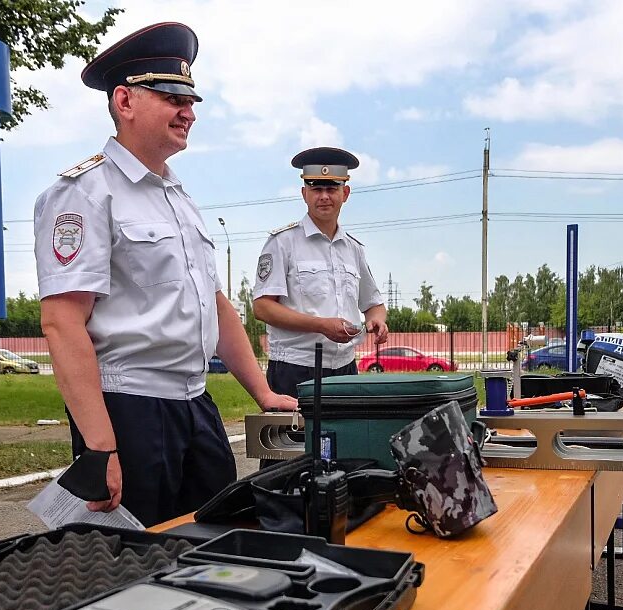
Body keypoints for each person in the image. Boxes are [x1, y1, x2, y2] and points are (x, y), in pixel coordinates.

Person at [34, 22, 296, 527]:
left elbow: (214, 304)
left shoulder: (178, 198)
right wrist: (100, 446)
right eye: (172, 96)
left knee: (215, 541)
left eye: (192, 100)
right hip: (130, 408)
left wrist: (261, 392)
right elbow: (63, 322)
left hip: (194, 403)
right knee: (132, 566)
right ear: (125, 101)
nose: (188, 112)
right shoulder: (84, 192)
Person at [252, 147, 390, 398]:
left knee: (346, 438)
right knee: (297, 438)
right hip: (295, 368)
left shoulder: (353, 248)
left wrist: (377, 319)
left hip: (345, 369)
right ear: (304, 193)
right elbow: (262, 307)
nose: (324, 197)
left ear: (345, 193)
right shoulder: (282, 242)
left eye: (331, 189)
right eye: (316, 189)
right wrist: (320, 326)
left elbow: (373, 304)